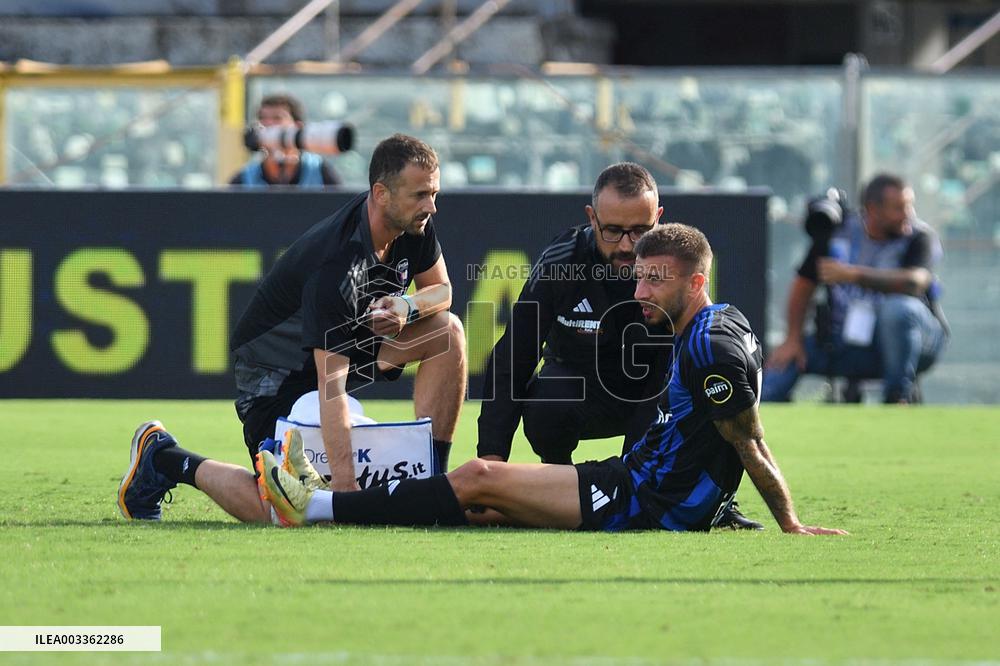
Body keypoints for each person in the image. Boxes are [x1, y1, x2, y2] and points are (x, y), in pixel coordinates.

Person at [255, 224, 846, 537]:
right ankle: (289, 492)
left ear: (695, 284)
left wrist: (789, 523)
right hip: (635, 481)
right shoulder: (722, 322)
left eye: (655, 281)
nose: (639, 291)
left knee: (479, 478)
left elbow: (748, 441)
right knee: (481, 502)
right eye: (639, 278)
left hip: (643, 501)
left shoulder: (710, 348)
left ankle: (319, 507)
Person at [118, 134, 467, 522]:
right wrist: (346, 495)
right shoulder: (337, 263)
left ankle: (435, 480)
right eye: (420, 195)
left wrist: (407, 306)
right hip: (275, 377)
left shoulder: (413, 224)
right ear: (381, 194)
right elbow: (330, 387)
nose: (431, 206)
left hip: (338, 353)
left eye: (433, 193)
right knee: (289, 509)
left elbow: (442, 291)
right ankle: (163, 457)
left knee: (446, 332)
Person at [477, 162, 761, 529]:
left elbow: (702, 351)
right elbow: (513, 357)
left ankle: (720, 504)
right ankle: (556, 483)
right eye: (612, 231)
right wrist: (491, 461)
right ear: (591, 218)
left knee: (708, 389)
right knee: (548, 401)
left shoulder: (674, 264)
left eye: (641, 230)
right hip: (584, 392)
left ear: (658, 218)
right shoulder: (561, 263)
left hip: (657, 391)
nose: (628, 246)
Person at [763, 174, 948, 404]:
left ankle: (897, 398)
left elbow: (915, 282)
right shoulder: (837, 232)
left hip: (915, 344)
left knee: (899, 308)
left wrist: (853, 275)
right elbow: (804, 284)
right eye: (899, 208)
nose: (908, 214)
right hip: (847, 341)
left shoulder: (919, 237)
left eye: (909, 205)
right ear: (873, 209)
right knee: (783, 361)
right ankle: (759, 412)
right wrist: (792, 338)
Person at [229, 93, 342, 187]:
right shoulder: (245, 180)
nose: (268, 125)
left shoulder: (320, 172)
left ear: (298, 127)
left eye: (277, 118)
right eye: (262, 118)